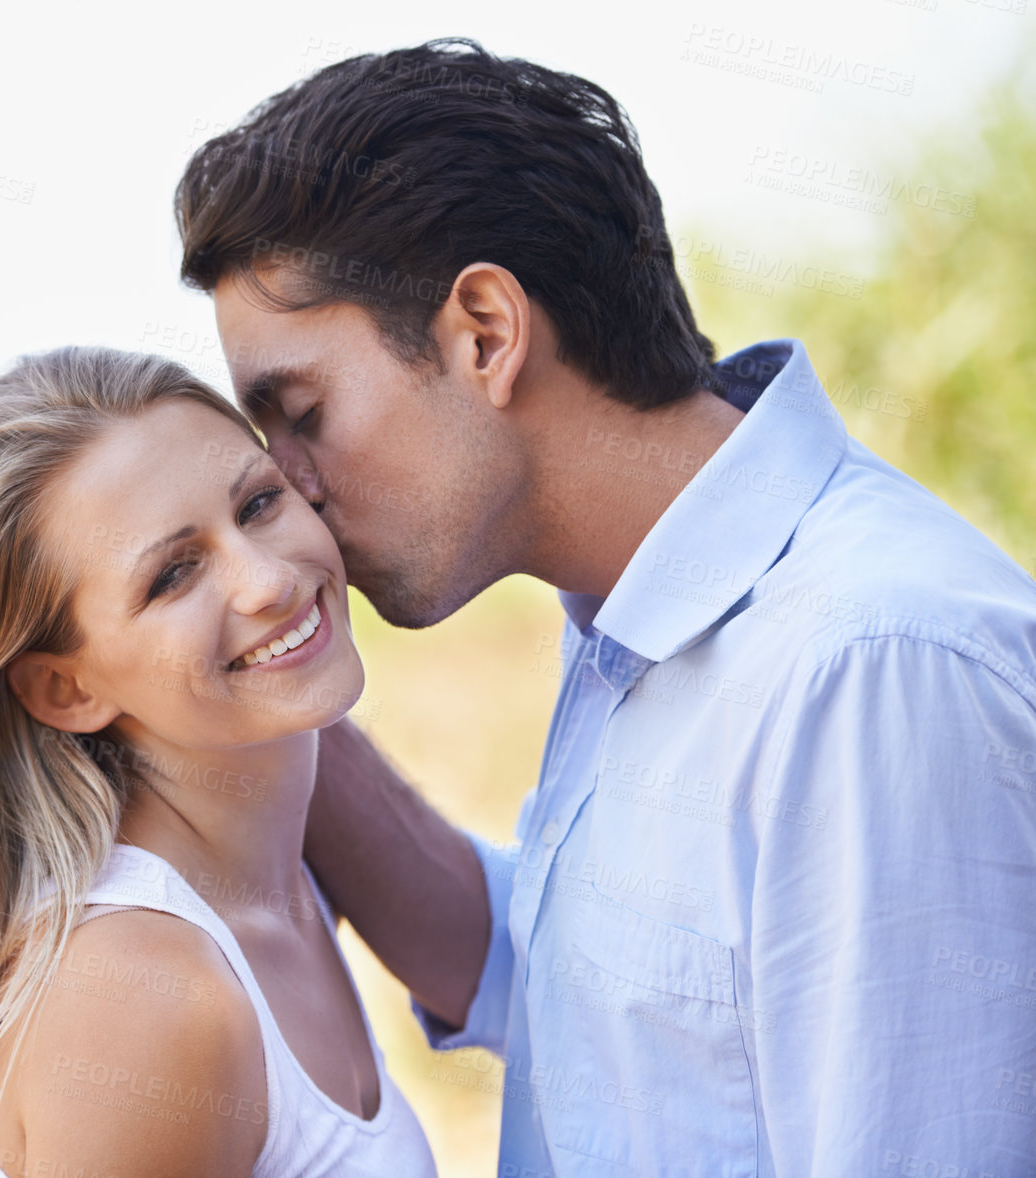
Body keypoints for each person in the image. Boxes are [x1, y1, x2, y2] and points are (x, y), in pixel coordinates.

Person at [175, 37, 1036, 1177]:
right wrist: (251, 671)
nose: (289, 484)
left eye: (300, 411)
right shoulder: (641, 612)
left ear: (483, 331)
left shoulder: (867, 667)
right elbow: (585, 990)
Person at [0, 346, 437, 1178]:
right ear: (64, 689)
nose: (266, 581)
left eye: (258, 503)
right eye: (173, 575)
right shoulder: (145, 998)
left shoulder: (274, 871)